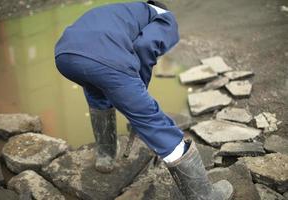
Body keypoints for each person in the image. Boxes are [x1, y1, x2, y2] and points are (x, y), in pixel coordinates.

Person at [54, 1, 234, 199]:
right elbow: (145, 46)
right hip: (106, 59)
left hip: (65, 56)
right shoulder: (165, 17)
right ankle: (204, 195)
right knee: (155, 124)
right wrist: (140, 92)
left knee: (97, 93)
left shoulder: (121, 10)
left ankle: (106, 156)